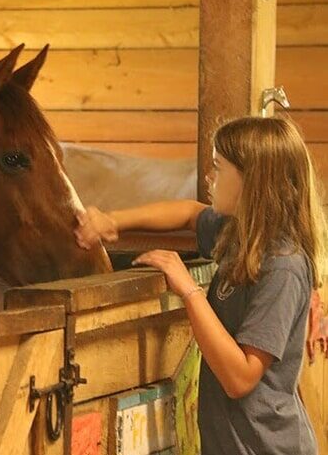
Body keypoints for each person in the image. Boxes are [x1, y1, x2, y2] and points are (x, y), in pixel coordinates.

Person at [75, 116, 326, 455]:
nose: (209, 177)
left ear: (252, 182)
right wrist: (114, 220)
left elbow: (240, 379)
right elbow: (189, 214)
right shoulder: (239, 235)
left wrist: (189, 290)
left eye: (219, 168)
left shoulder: (283, 266)